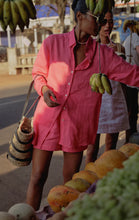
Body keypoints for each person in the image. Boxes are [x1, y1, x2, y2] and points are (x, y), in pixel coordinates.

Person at [26, 0, 139, 211]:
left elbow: (132, 74)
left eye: (106, 20)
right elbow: (39, 73)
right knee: (38, 176)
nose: (101, 24)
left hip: (78, 124)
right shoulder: (53, 43)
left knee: (71, 184)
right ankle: (27, 215)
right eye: (97, 19)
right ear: (80, 17)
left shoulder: (102, 54)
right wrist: (44, 90)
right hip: (48, 119)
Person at [86, 11, 130, 163]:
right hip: (95, 102)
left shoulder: (119, 48)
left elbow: (125, 77)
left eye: (110, 22)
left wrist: (127, 104)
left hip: (115, 99)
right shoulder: (90, 48)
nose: (108, 25)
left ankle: (104, 180)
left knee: (110, 148)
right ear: (97, 23)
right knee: (92, 148)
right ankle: (88, 181)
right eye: (104, 22)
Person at [123, 22, 139, 142]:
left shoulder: (128, 38)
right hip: (133, 78)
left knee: (131, 109)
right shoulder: (136, 37)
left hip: (128, 79)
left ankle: (130, 137)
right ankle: (131, 138)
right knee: (132, 110)